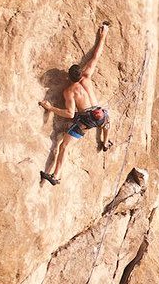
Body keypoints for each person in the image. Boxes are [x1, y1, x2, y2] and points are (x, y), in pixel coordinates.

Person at [39, 23, 112, 186]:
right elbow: (95, 56)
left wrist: (50, 108)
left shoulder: (69, 91)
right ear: (80, 72)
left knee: (64, 146)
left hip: (86, 120)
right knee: (105, 120)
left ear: (68, 77)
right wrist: (103, 36)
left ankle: (55, 176)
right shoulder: (87, 76)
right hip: (101, 115)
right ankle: (106, 142)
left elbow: (70, 114)